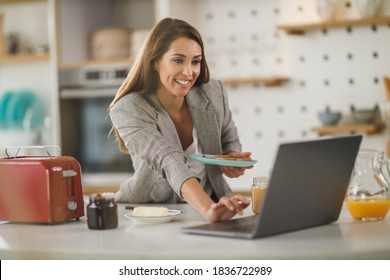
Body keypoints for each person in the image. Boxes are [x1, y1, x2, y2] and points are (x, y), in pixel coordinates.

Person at [109, 17, 253, 222]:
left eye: (195, 61)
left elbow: (229, 138)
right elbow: (169, 160)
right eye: (178, 60)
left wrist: (231, 159)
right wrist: (207, 209)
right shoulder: (128, 109)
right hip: (152, 213)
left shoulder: (213, 92)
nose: (189, 72)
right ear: (155, 62)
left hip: (213, 205)